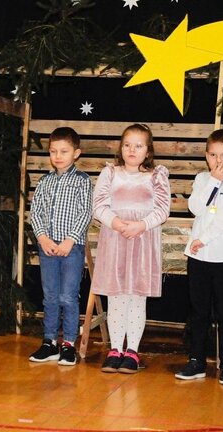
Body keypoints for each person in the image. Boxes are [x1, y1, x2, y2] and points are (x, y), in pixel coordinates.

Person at [175, 129, 223, 385]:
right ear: (206, 156)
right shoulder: (202, 179)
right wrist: (214, 182)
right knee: (198, 311)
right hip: (198, 257)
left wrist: (203, 239)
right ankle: (196, 360)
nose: (218, 161)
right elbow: (195, 207)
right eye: (213, 155)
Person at [91, 123, 170, 373]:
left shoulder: (156, 176)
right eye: (127, 145)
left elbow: (162, 209)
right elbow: (99, 205)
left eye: (138, 145)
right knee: (116, 297)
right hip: (115, 240)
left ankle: (132, 351)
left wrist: (141, 225)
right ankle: (115, 349)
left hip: (142, 241)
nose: (132, 150)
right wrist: (116, 223)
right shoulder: (110, 173)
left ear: (148, 150)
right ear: (120, 148)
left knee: (136, 297)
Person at [28, 127, 93, 366]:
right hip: (48, 248)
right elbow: (36, 212)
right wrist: (42, 237)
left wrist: (70, 240)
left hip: (71, 248)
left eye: (64, 151)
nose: (57, 156)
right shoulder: (45, 181)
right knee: (50, 296)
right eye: (53, 151)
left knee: (68, 296)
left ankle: (68, 344)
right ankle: (49, 342)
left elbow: (85, 212)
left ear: (76, 153)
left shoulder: (82, 181)